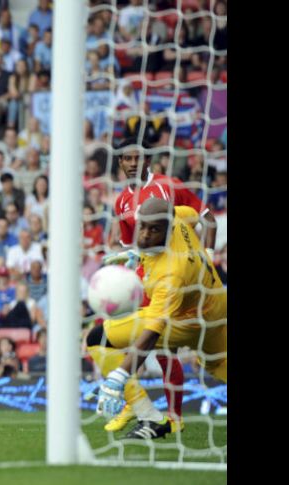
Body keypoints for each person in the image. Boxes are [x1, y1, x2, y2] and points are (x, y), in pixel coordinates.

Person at [100, 137, 219, 434]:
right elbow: (134, 247)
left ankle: (175, 416)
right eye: (127, 159)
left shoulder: (167, 186)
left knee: (165, 348)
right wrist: (127, 264)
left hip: (176, 279)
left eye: (137, 158)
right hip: (145, 279)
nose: (132, 164)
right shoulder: (121, 202)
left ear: (148, 160)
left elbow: (208, 219)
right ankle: (134, 403)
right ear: (120, 162)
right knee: (120, 337)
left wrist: (207, 257)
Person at [89, 199, 226, 440]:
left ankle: (145, 412)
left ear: (169, 228)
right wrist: (141, 255)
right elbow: (201, 217)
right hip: (216, 305)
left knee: (97, 338)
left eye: (154, 230)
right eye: (142, 226)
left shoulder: (172, 273)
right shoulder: (179, 216)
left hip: (186, 322)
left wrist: (119, 376)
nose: (144, 234)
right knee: (219, 365)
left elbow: (151, 334)